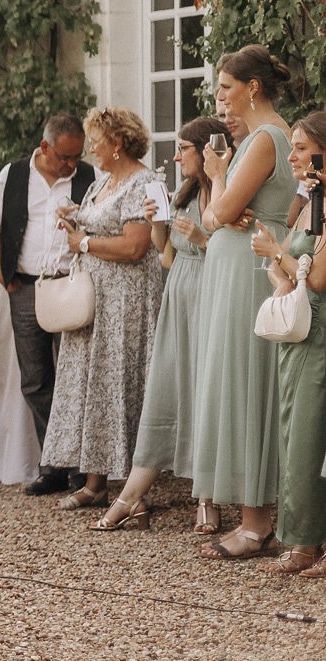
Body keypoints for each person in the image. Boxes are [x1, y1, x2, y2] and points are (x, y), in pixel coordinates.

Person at [92, 117, 228, 533]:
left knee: (205, 391)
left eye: (183, 148)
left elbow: (234, 252)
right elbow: (165, 254)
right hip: (179, 294)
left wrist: (205, 240)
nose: (175, 155)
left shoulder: (226, 193)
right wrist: (157, 220)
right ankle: (132, 497)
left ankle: (207, 498)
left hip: (212, 294)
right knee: (167, 390)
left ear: (205, 150)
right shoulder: (185, 193)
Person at [190, 45, 297, 560]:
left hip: (249, 271)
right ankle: (256, 517)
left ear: (252, 88)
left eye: (225, 91)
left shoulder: (265, 139)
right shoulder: (270, 138)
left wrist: (216, 176)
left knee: (247, 383)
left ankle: (256, 524)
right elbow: (221, 216)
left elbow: (219, 214)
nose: (221, 102)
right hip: (241, 267)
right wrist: (224, 204)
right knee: (241, 381)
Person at [40, 108, 164, 511]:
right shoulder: (104, 182)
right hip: (96, 300)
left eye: (96, 139)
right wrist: (74, 215)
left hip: (126, 303)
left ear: (118, 142)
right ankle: (94, 483)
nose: (91, 147)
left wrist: (85, 243)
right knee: (94, 386)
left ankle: (131, 488)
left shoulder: (143, 181)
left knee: (119, 384)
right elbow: (96, 221)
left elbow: (135, 245)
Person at [0, 113, 97, 496]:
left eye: (76, 157)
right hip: (26, 287)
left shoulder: (89, 178)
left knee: (74, 377)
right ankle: (54, 463)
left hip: (72, 284)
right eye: (65, 157)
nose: (72, 164)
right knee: (35, 380)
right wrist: (6, 278)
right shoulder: (12, 175)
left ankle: (82, 469)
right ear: (45, 147)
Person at [247, 111, 326, 574]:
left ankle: (310, 540)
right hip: (298, 334)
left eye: (300, 148)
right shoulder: (311, 201)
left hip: (320, 335)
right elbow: (291, 275)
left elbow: (316, 277)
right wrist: (276, 256)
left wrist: (277, 251)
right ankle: (300, 539)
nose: (292, 156)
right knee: (292, 431)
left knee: (311, 437)